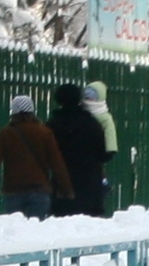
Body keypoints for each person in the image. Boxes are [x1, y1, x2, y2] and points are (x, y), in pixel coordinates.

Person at [0, 94, 72, 218]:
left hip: (14, 190)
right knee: (35, 231)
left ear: (13, 112)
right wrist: (66, 188)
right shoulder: (44, 132)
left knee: (16, 230)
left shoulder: (7, 133)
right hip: (39, 189)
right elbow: (56, 162)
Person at [49, 82, 115, 217]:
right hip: (89, 184)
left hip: (63, 183)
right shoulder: (92, 124)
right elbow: (103, 154)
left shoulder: (52, 125)